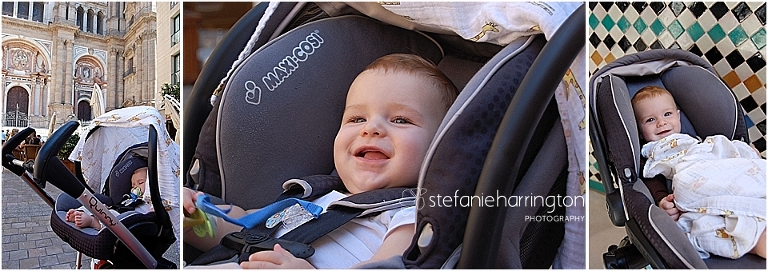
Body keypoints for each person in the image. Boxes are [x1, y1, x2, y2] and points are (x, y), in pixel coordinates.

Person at [183, 53, 459, 268]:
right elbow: (243, 231)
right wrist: (192, 218)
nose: (371, 128)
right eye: (356, 119)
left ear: (441, 147)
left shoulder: (412, 216)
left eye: (401, 120)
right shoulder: (316, 198)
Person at [632, 85, 765, 259]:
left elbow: (717, 156)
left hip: (712, 170)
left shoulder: (694, 142)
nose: (661, 122)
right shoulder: (651, 154)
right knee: (702, 221)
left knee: (725, 147)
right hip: (690, 184)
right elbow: (652, 180)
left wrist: (740, 152)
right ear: (640, 130)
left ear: (678, 116)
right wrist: (661, 200)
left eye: (667, 114)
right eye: (650, 120)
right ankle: (754, 239)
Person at [65, 159, 149, 230]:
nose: (135, 188)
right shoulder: (128, 198)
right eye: (133, 185)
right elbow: (120, 205)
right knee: (98, 205)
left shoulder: (150, 200)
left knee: (114, 217)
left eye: (140, 183)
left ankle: (92, 222)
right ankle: (81, 211)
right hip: (117, 210)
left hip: (129, 220)